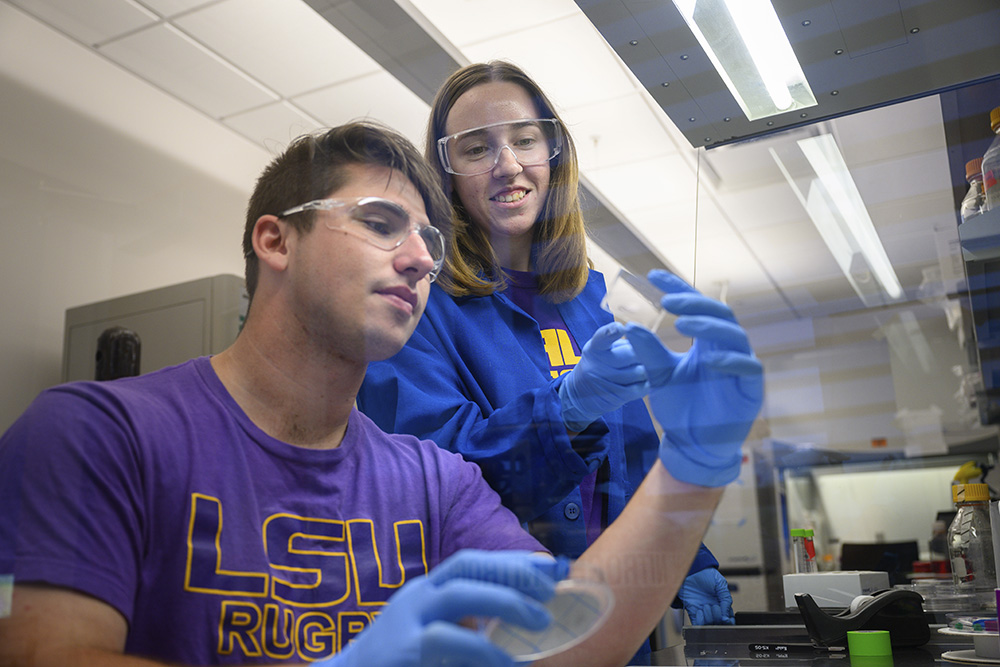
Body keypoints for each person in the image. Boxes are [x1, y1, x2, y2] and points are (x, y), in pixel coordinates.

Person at [0, 120, 762, 667]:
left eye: (429, 241)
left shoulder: (434, 481)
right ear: (276, 241)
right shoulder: (96, 434)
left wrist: (691, 470)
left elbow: (568, 639)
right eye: (379, 223)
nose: (420, 261)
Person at [357, 60, 735, 627]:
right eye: (476, 149)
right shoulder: (415, 306)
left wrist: (688, 555)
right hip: (502, 622)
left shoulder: (590, 300)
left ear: (553, 154)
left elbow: (634, 459)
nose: (509, 166)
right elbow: (430, 478)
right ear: (447, 174)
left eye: (525, 140)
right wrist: (564, 412)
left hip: (621, 615)